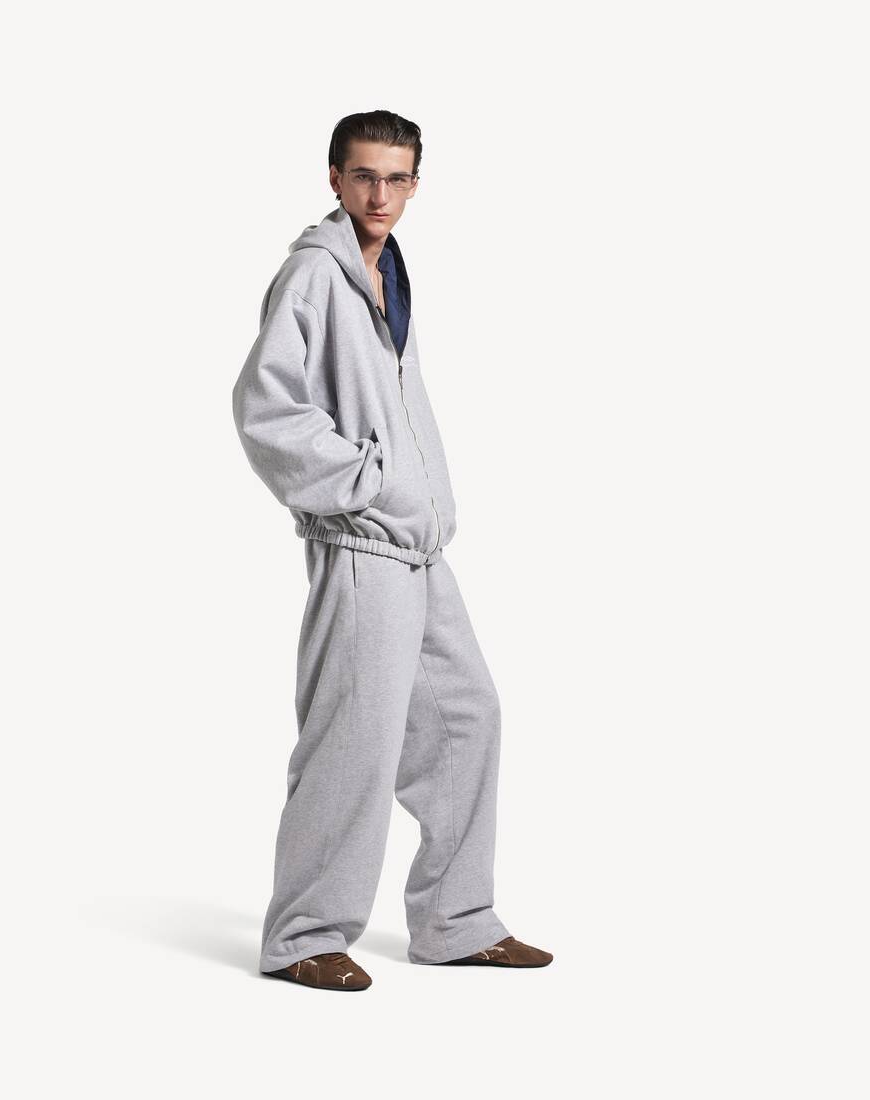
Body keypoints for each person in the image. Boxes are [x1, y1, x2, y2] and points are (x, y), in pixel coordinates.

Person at [231, 110, 552, 991]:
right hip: (363, 542)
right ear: (335, 179)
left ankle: (455, 921)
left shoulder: (388, 272)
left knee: (467, 716)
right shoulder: (313, 275)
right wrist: (367, 483)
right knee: (354, 741)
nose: (381, 195)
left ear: (415, 184)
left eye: (397, 178)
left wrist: (419, 494)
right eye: (365, 176)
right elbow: (265, 408)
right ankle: (304, 935)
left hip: (418, 547)